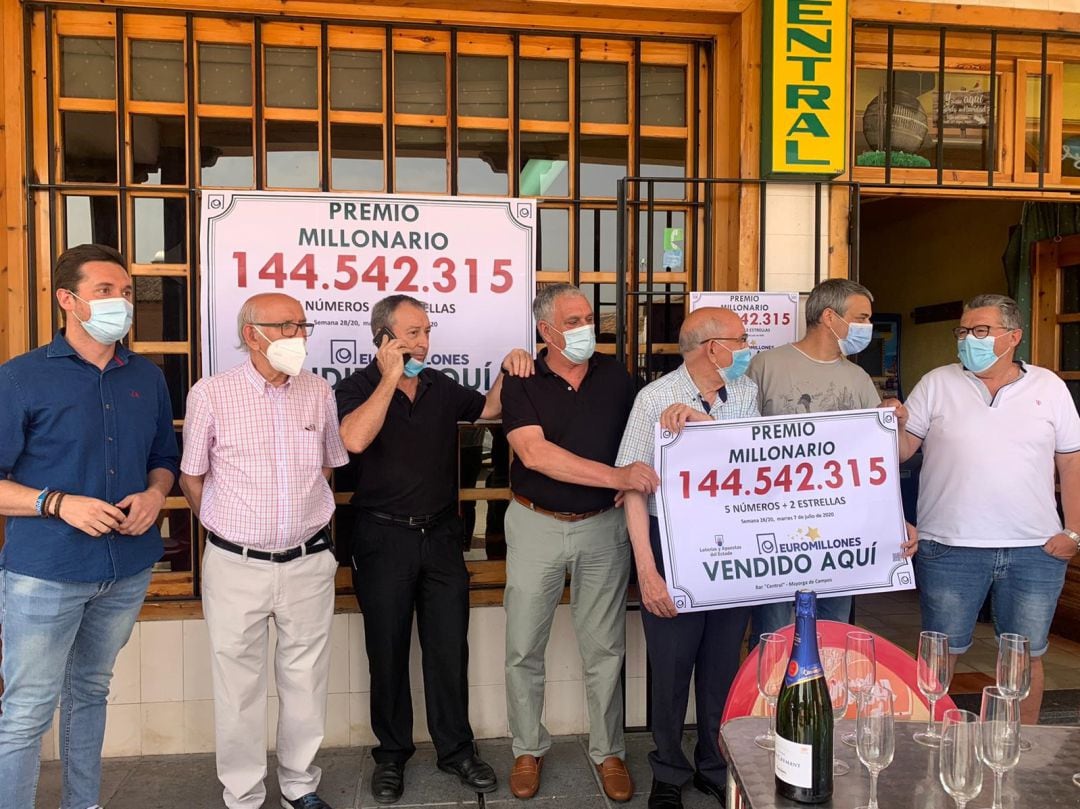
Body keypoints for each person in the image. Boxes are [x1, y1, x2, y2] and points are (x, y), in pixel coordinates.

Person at [0, 244, 179, 809]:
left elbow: (164, 458)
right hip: (46, 573)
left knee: (90, 694)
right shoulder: (20, 379)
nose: (120, 303)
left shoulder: (146, 376)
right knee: (28, 708)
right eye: (106, 291)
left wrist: (155, 494)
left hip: (125, 568)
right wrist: (56, 503)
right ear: (67, 301)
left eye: (125, 293)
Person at [335, 294, 533, 804]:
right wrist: (387, 379)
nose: (423, 342)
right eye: (411, 334)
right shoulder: (354, 387)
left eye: (426, 331)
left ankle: (456, 751)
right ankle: (392, 754)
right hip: (381, 539)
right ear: (382, 339)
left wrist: (508, 368)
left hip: (442, 537)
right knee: (387, 650)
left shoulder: (441, 386)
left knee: (449, 649)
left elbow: (488, 409)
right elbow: (353, 441)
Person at [179, 293, 350, 809]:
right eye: (286, 326)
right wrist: (226, 526)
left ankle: (300, 786)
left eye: (303, 324)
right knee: (238, 687)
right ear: (252, 334)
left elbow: (327, 466)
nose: (298, 335)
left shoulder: (319, 391)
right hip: (236, 563)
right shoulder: (211, 393)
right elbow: (193, 477)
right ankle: (244, 793)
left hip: (307, 561)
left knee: (306, 680)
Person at [500, 284, 658, 802]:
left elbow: (646, 436)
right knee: (524, 647)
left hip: (602, 529)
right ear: (546, 331)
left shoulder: (617, 377)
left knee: (606, 647)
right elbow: (535, 455)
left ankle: (608, 751)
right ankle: (528, 748)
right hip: (535, 523)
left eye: (589, 317)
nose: (588, 327)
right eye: (573, 320)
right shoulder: (521, 376)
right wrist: (617, 476)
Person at [900, 293, 1080, 724]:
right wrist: (891, 423)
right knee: (939, 658)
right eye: (963, 331)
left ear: (1013, 336)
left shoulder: (1048, 387)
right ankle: (929, 745)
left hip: (1033, 550)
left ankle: (1020, 750)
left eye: (981, 331)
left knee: (1025, 656)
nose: (968, 340)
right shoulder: (937, 383)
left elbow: (1071, 460)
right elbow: (901, 452)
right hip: (949, 548)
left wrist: (1072, 531)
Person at [616, 307, 758, 809]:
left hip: (733, 543)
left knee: (722, 664)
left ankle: (713, 765)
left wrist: (706, 427)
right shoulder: (655, 398)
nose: (747, 347)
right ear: (710, 347)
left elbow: (756, 460)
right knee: (672, 667)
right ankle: (669, 770)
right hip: (671, 543)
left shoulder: (745, 392)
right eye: (740, 339)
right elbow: (633, 488)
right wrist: (647, 571)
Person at [746, 278, 916, 641]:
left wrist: (897, 424)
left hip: (841, 529)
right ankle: (775, 698)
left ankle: (827, 698)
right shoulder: (766, 366)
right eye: (862, 317)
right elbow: (737, 444)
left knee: (833, 632)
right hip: (775, 527)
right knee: (774, 632)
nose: (867, 327)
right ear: (829, 316)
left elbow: (886, 459)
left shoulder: (856, 378)